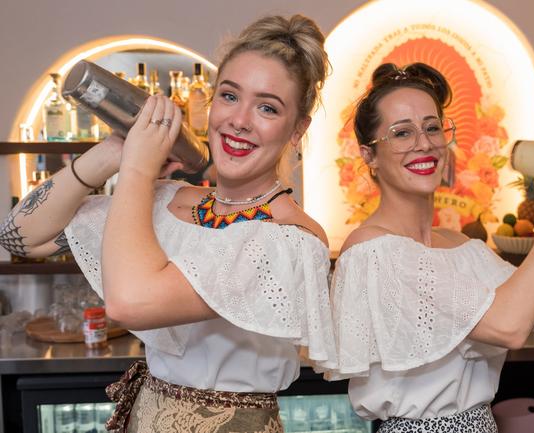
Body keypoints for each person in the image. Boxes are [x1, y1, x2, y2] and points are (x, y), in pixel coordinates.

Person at [0, 15, 336, 432]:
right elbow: (20, 235)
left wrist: (138, 171)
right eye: (229, 96)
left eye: (267, 107)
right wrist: (111, 154)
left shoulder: (291, 239)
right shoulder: (164, 199)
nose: (240, 120)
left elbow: (130, 304)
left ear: (297, 129)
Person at [325, 62, 534, 432]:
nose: (424, 142)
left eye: (432, 127)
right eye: (401, 133)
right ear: (369, 156)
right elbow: (510, 326)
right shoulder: (375, 251)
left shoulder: (462, 246)